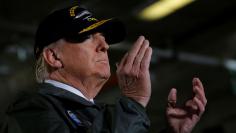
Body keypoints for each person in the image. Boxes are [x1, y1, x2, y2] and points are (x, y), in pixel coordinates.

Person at [2, 5, 207, 133]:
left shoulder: (108, 115)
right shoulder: (30, 112)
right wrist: (133, 103)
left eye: (104, 39)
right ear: (53, 57)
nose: (105, 46)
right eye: (87, 37)